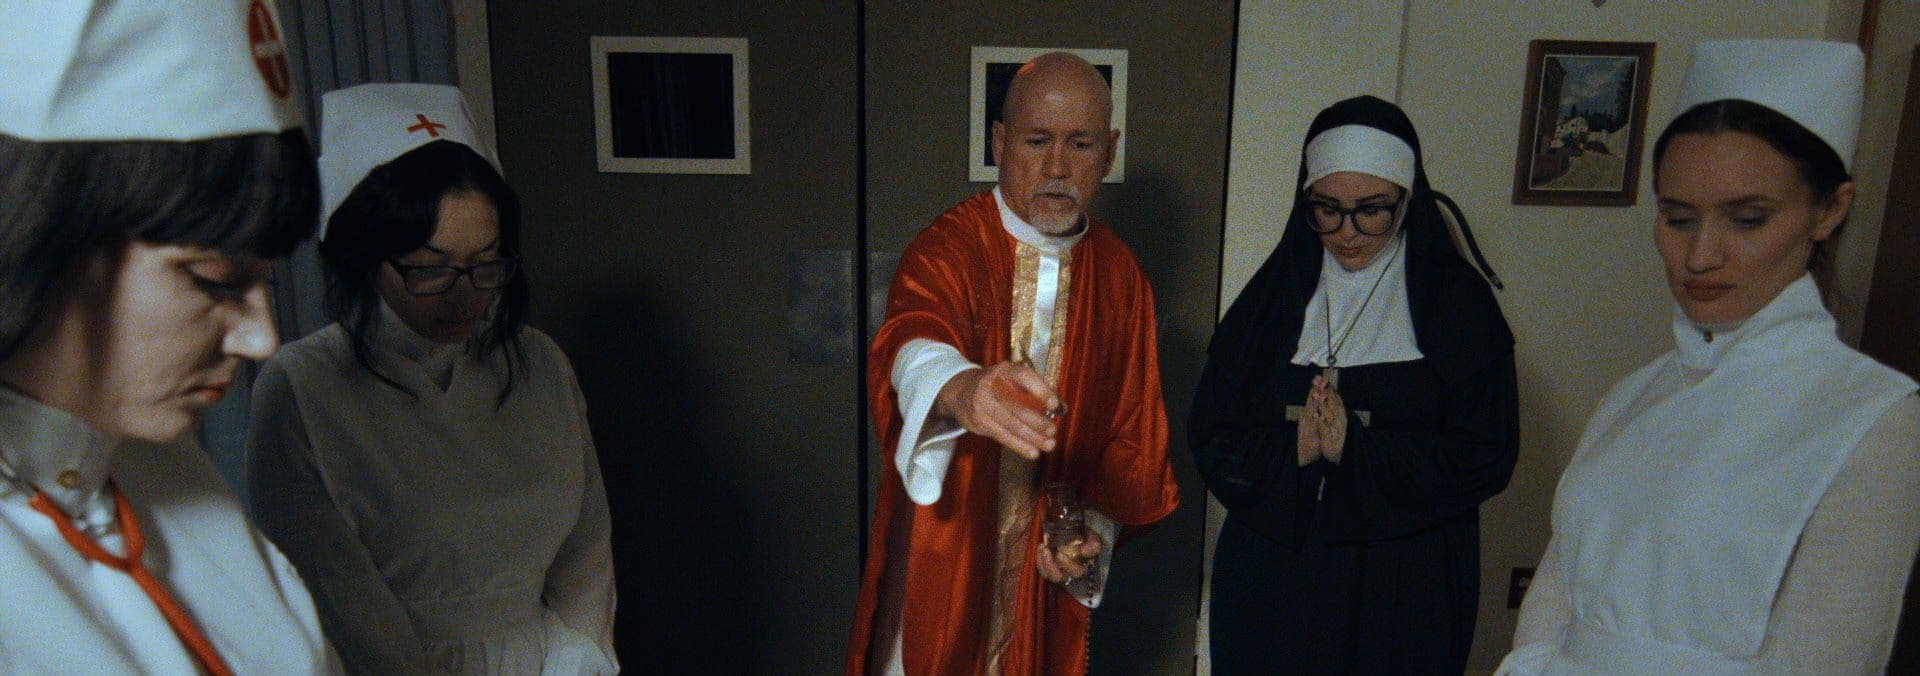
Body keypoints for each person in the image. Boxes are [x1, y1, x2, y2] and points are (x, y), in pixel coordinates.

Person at [1499, 39, 1920, 673]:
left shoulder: (1871, 417)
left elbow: (1827, 658)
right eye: (1677, 218)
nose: (1700, 256)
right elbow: (1559, 587)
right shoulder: (1636, 392)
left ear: (1830, 210)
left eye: (1747, 219)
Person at [0, 1, 340, 673]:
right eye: (215, 281)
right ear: (38, 241)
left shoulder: (170, 475)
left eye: (265, 284)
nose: (261, 339)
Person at [245, 83, 617, 675]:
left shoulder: (539, 364)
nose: (463, 294)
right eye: (429, 268)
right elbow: (337, 595)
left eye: (486, 264)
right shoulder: (302, 388)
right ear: (368, 256)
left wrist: (575, 662)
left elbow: (586, 552)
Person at [845, 52, 1180, 675]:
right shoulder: (950, 247)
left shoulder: (1121, 276)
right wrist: (963, 389)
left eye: (1080, 144)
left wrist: (1088, 536)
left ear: (1109, 152)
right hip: (949, 549)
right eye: (1036, 140)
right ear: (1000, 143)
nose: (1056, 167)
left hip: (1041, 586)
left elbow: (1130, 436)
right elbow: (910, 340)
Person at [1191, 95, 1517, 673]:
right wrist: (1294, 449)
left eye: (1371, 211)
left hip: (1405, 581)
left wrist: (1356, 450)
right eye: (1326, 209)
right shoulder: (1269, 303)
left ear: (1407, 200)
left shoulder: (1460, 307)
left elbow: (1488, 453)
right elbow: (1213, 434)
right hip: (1276, 575)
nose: (1346, 232)